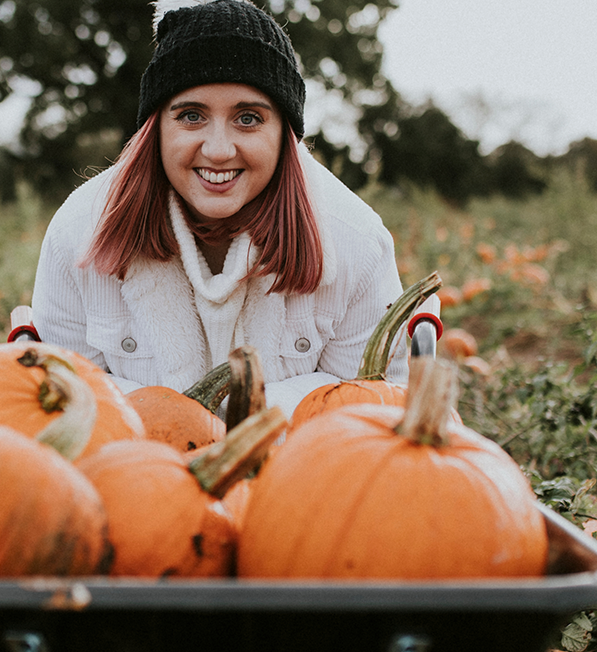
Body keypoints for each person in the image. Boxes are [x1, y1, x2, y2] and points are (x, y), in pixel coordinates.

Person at [29, 0, 438, 417]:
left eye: (248, 118)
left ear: (286, 136)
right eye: (191, 116)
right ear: (156, 129)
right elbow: (66, 404)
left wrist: (239, 422)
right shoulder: (79, 233)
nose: (219, 150)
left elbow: (368, 411)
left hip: (296, 473)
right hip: (131, 469)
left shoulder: (357, 243)